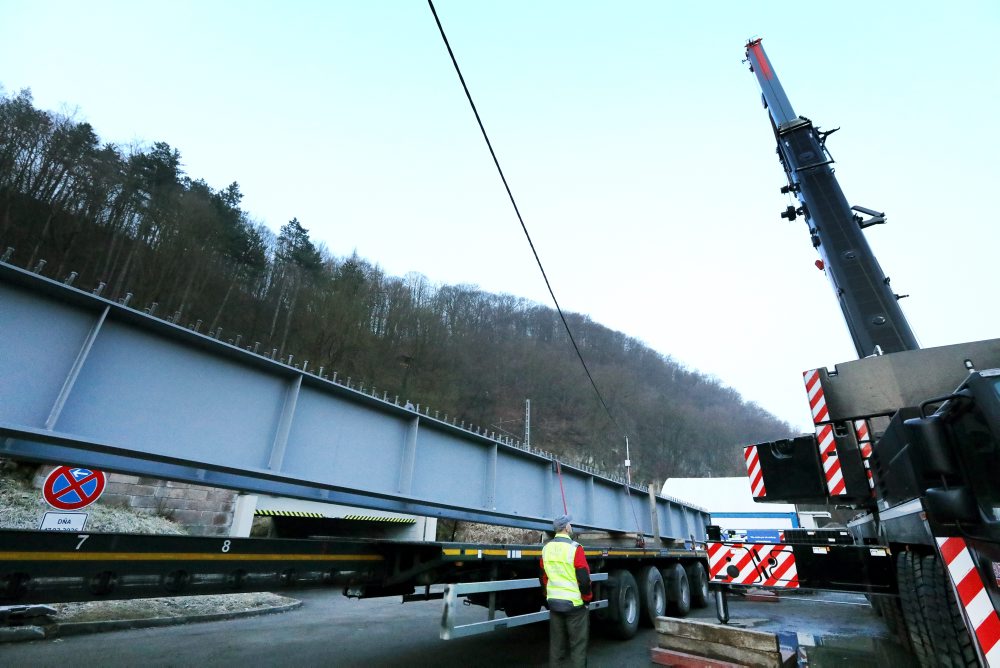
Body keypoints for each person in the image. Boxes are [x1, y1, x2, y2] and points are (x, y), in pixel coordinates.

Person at [540, 514, 592, 667]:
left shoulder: (546, 548)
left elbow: (543, 577)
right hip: (574, 606)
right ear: (566, 527)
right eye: (570, 524)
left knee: (556, 648)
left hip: (554, 604)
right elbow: (584, 578)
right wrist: (587, 599)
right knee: (578, 647)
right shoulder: (575, 548)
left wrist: (548, 595)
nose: (571, 526)